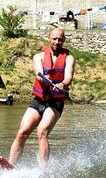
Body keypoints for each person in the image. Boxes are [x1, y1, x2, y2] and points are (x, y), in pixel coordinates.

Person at [7, 27, 74, 166]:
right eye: (54, 39)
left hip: (55, 102)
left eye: (60, 39)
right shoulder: (39, 57)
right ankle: (11, 166)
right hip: (39, 100)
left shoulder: (69, 58)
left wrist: (62, 84)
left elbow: (68, 77)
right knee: (22, 132)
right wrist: (45, 78)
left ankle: (43, 170)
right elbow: (38, 72)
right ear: (49, 39)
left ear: (64, 40)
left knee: (41, 131)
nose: (57, 42)